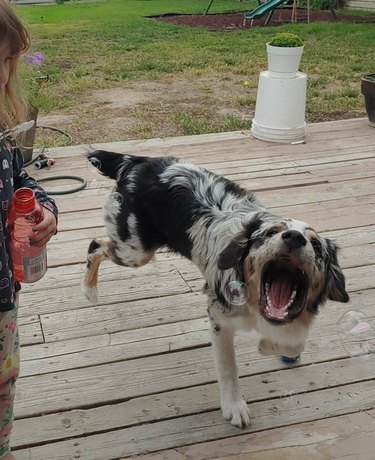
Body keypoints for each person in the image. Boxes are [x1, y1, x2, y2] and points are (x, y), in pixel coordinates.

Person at [0, 1, 58, 458]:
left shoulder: (1, 135)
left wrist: (42, 208)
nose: (2, 76)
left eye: (6, 61)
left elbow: (22, 180)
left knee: (4, 379)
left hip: (4, 296)